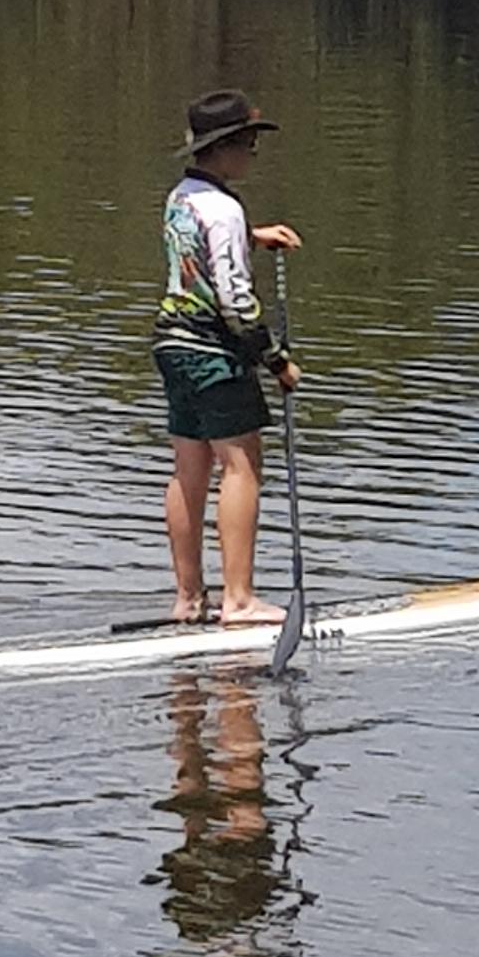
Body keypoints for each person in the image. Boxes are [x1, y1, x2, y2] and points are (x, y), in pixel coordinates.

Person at [153, 90, 302, 625]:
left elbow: (199, 252)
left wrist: (252, 237)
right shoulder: (226, 209)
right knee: (241, 466)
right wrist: (275, 360)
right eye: (249, 147)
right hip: (213, 350)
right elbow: (236, 301)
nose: (252, 157)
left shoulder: (182, 197)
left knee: (188, 472)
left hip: (172, 345)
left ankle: (188, 599)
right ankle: (239, 600)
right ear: (227, 149)